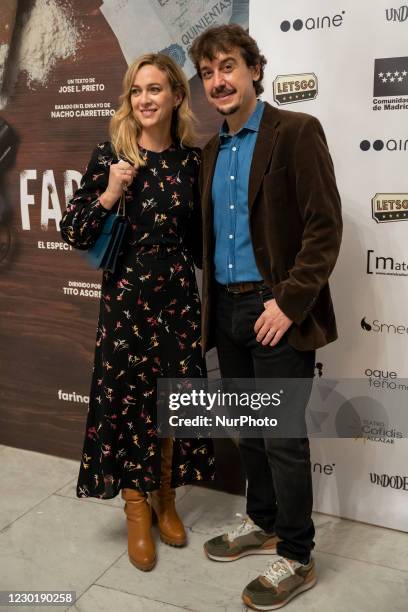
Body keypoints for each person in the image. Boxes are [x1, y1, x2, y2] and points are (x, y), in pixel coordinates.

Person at [189, 25, 342, 610]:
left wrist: (289, 302)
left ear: (255, 69)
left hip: (274, 310)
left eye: (228, 66)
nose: (218, 81)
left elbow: (324, 229)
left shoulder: (297, 133)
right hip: (225, 310)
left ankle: (298, 556)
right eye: (207, 73)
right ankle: (264, 520)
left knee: (283, 440)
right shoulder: (211, 152)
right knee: (250, 433)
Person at [60, 53, 215, 572]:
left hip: (176, 297)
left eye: (155, 89)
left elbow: (202, 242)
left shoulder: (192, 162)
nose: (145, 99)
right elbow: (74, 230)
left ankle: (165, 497)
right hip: (126, 300)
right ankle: (135, 508)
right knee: (127, 400)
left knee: (173, 398)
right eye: (136, 91)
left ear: (175, 96)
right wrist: (109, 192)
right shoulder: (112, 154)